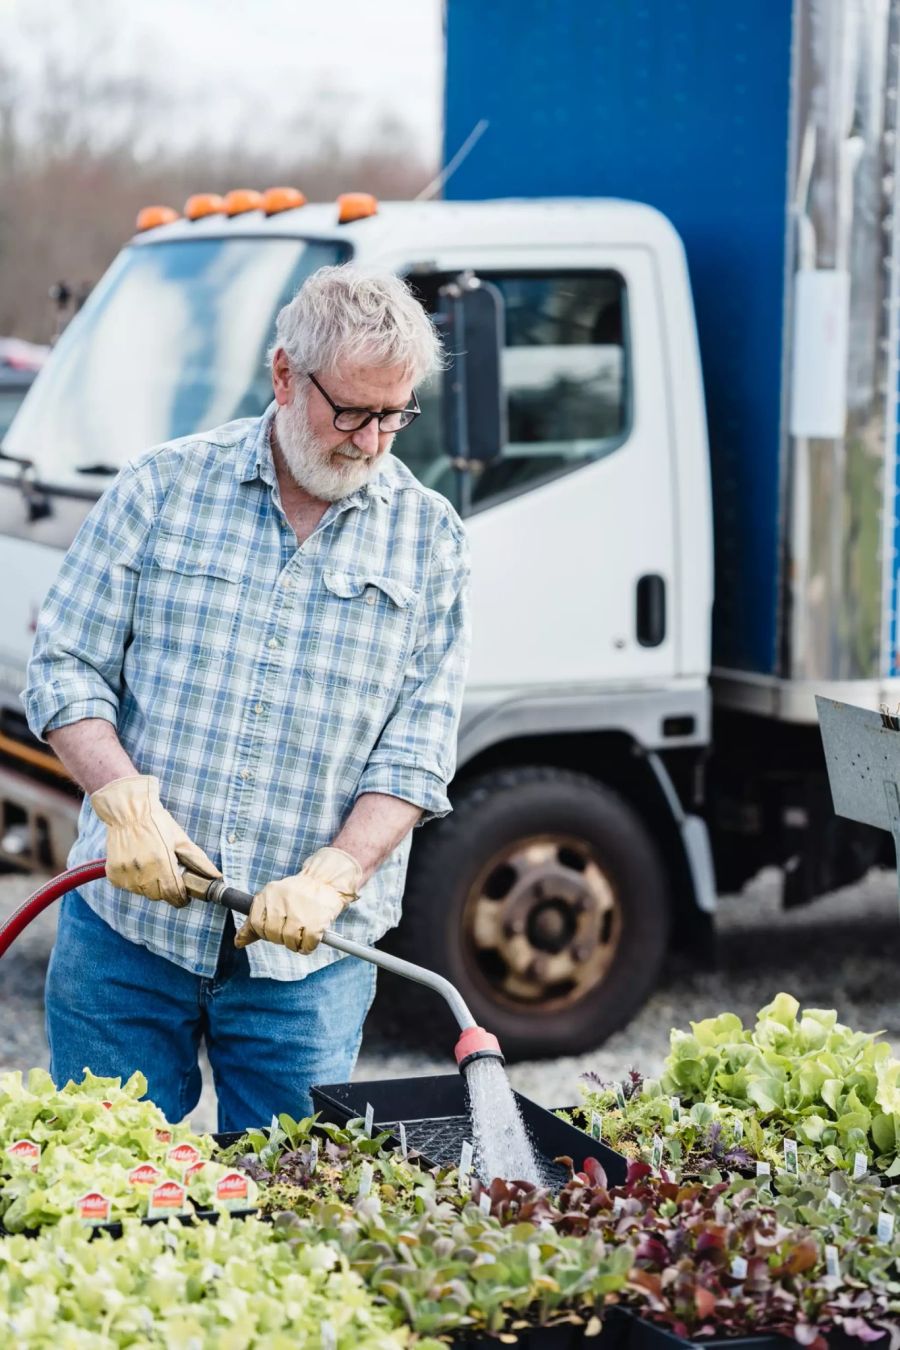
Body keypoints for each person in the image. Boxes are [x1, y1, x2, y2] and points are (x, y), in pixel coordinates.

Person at [23, 265, 471, 1131]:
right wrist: (121, 802)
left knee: (281, 1212)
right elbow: (66, 663)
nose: (373, 442)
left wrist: (338, 874)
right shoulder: (163, 490)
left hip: (308, 972)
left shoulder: (431, 541)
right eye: (351, 412)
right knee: (103, 1195)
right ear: (283, 376)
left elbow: (416, 749)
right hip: (126, 939)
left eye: (395, 415)